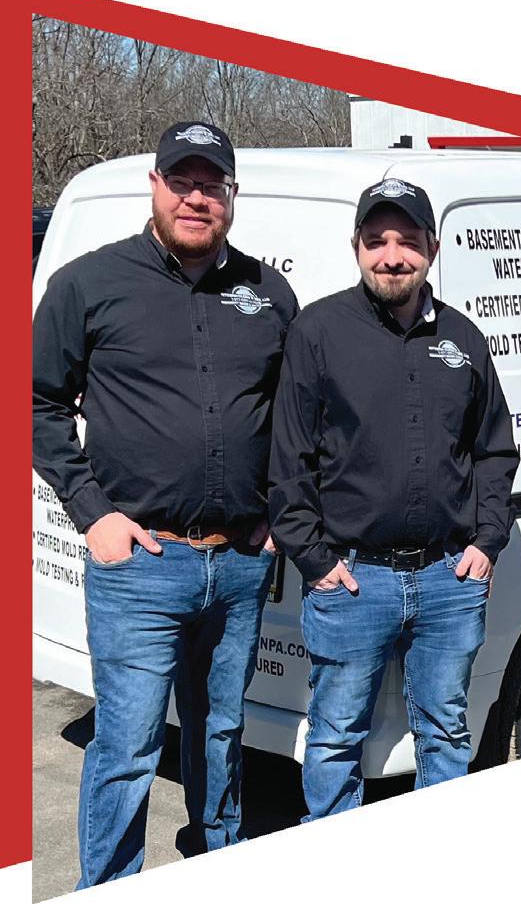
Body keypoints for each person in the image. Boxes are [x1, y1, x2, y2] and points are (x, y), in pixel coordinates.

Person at [31, 121, 298, 887]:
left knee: (220, 733)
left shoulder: (268, 293)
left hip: (238, 564)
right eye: (181, 181)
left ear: (231, 196)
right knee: (128, 745)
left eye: (211, 184)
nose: (195, 197)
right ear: (155, 185)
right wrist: (94, 514)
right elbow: (36, 403)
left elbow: (296, 415)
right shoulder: (89, 284)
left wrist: (281, 510)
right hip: (140, 566)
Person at [269, 177, 518, 820]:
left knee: (447, 734)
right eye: (376, 240)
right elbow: (289, 461)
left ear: (432, 248)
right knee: (334, 739)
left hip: (448, 580)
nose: (392, 256)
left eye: (407, 240)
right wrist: (315, 560)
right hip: (354, 582)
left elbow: (494, 450)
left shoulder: (464, 339)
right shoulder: (318, 331)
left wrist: (487, 541)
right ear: (356, 247)